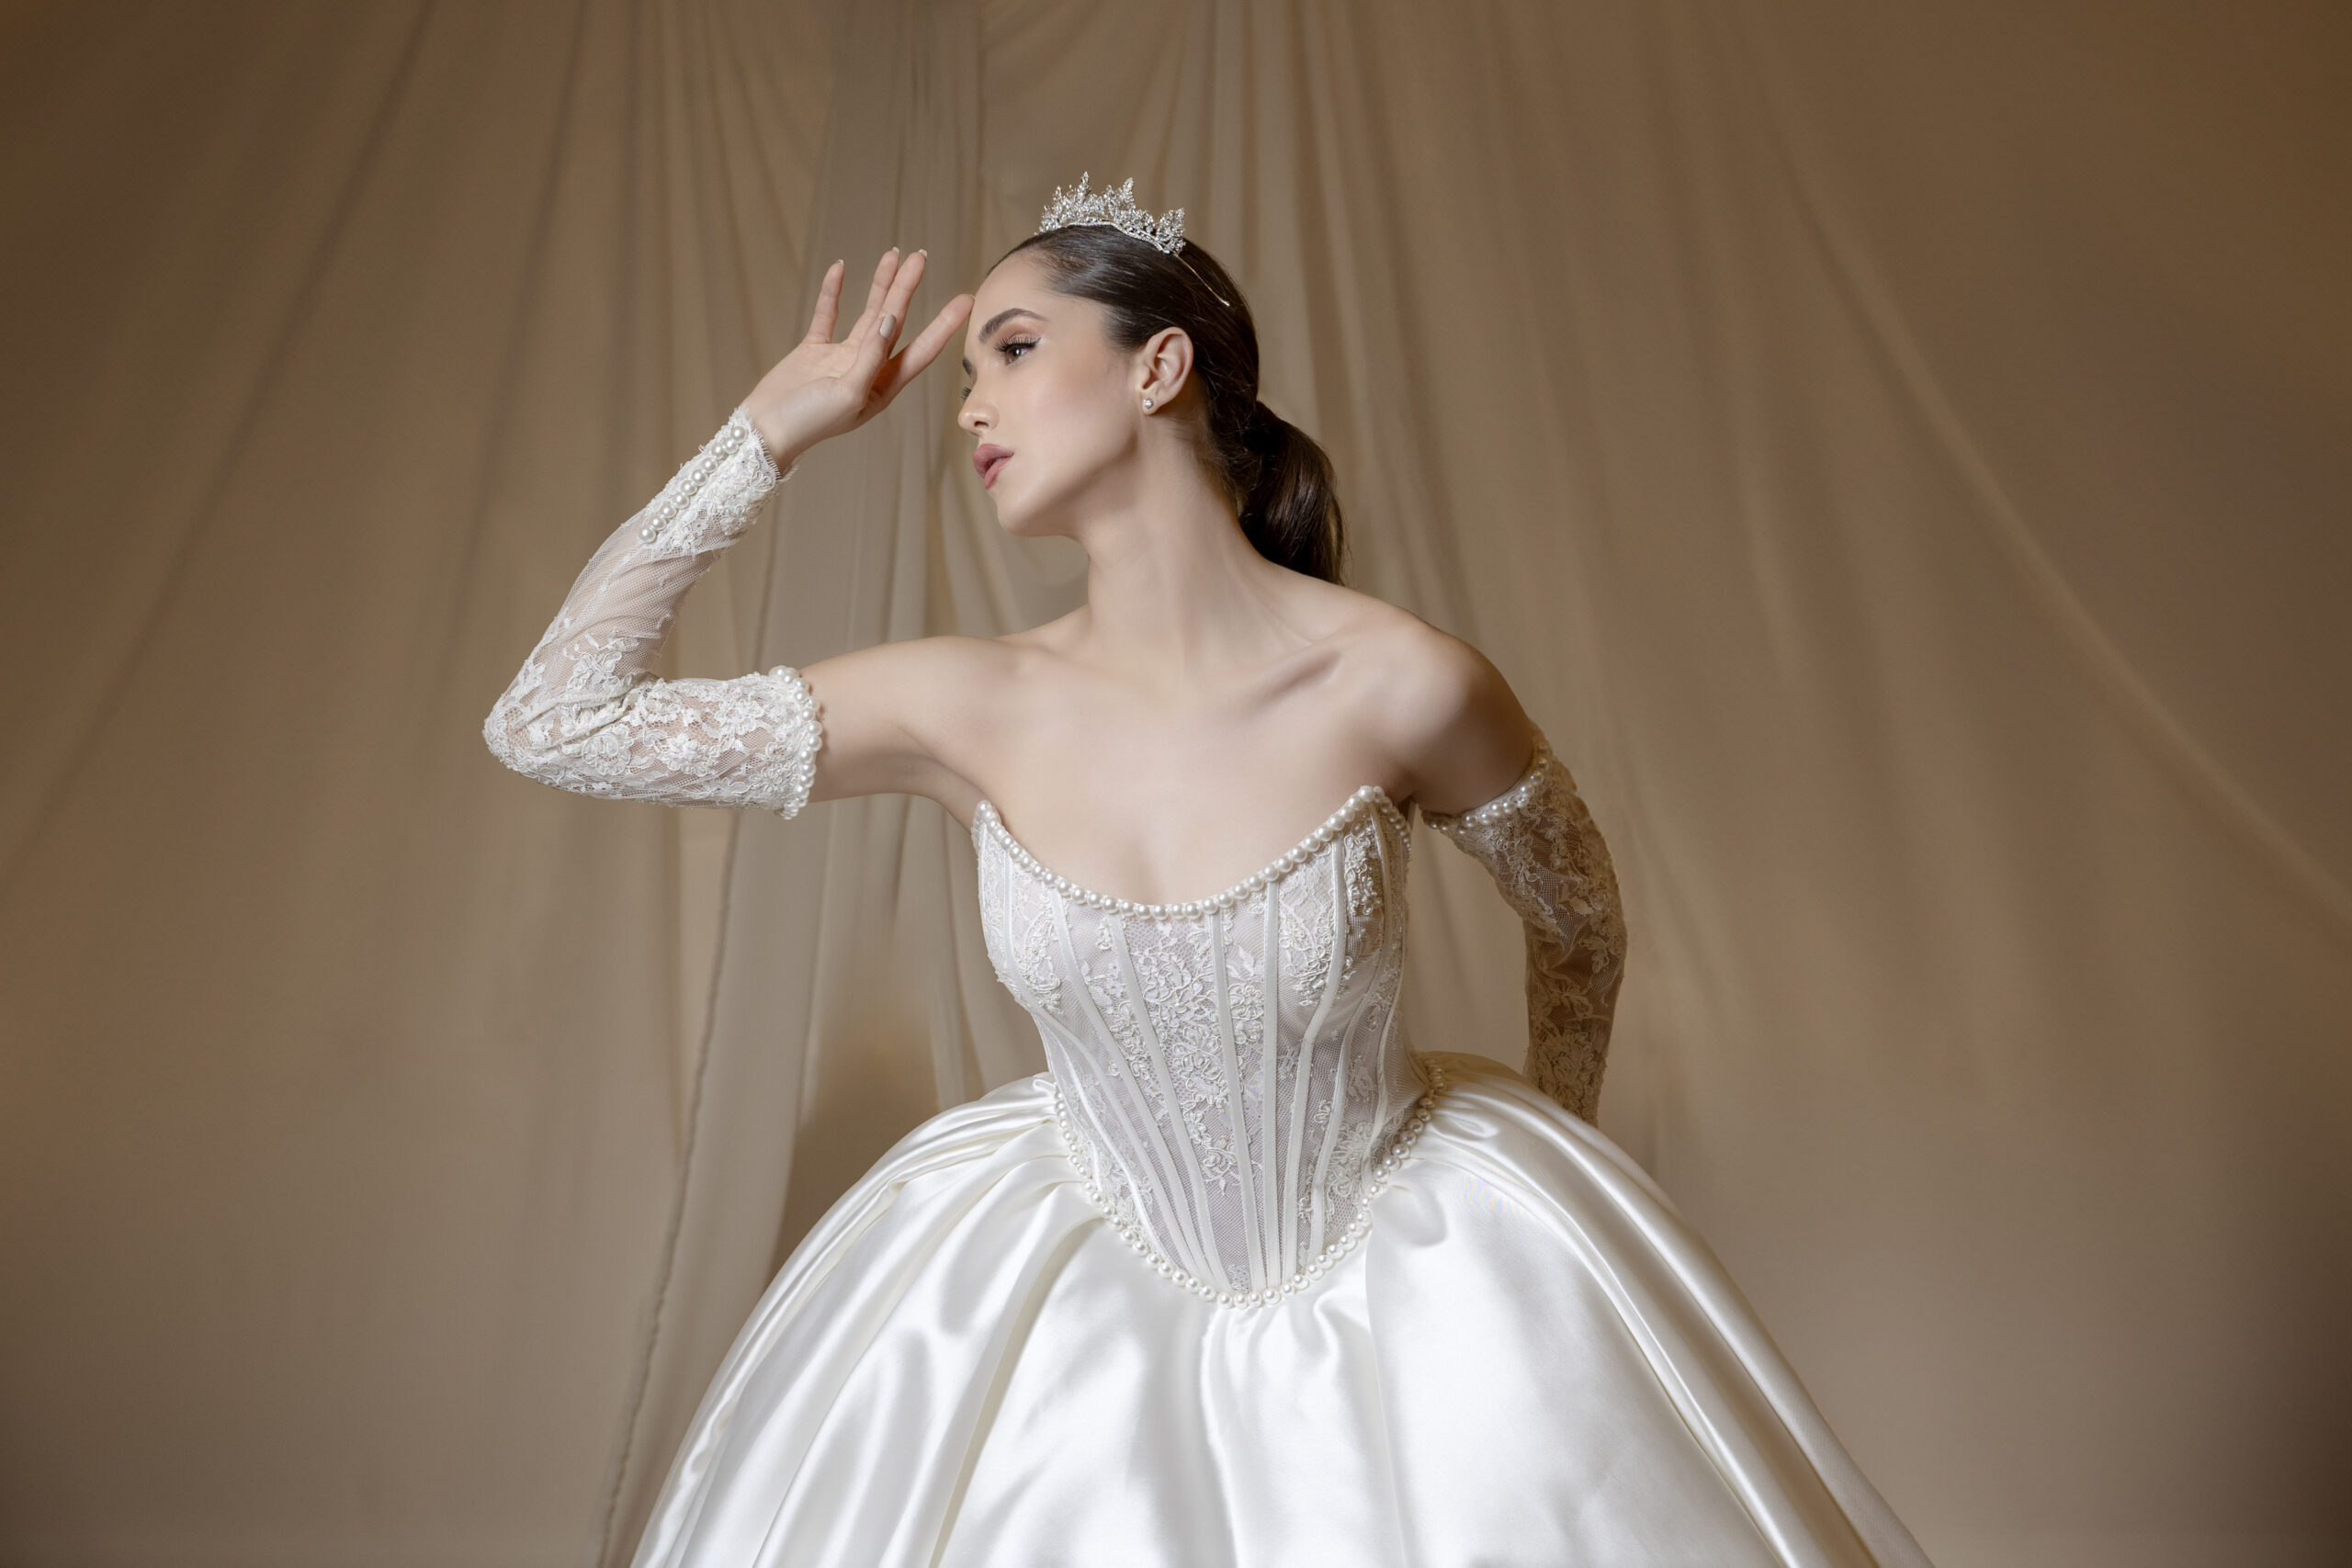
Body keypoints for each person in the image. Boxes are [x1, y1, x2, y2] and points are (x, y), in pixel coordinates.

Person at [484, 175, 1931, 1568]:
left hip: (1420, 1299)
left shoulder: (1402, 683)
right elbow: (552, 722)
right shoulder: (961, 702)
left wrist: (1556, 1185)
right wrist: (769, 432)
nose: (969, 405)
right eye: (968, 375)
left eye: (1013, 348)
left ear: (1159, 366)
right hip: (1063, 1338)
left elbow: (1583, 927)